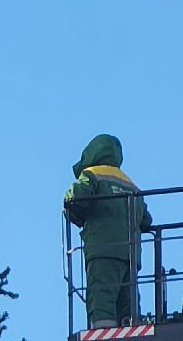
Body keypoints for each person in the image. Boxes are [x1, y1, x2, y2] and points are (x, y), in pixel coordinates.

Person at [64, 134, 153, 329]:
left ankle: (103, 335)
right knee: (128, 303)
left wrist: (71, 209)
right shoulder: (132, 185)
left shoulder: (92, 174)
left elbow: (76, 198)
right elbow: (146, 221)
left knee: (102, 296)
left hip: (102, 250)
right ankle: (130, 331)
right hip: (131, 256)